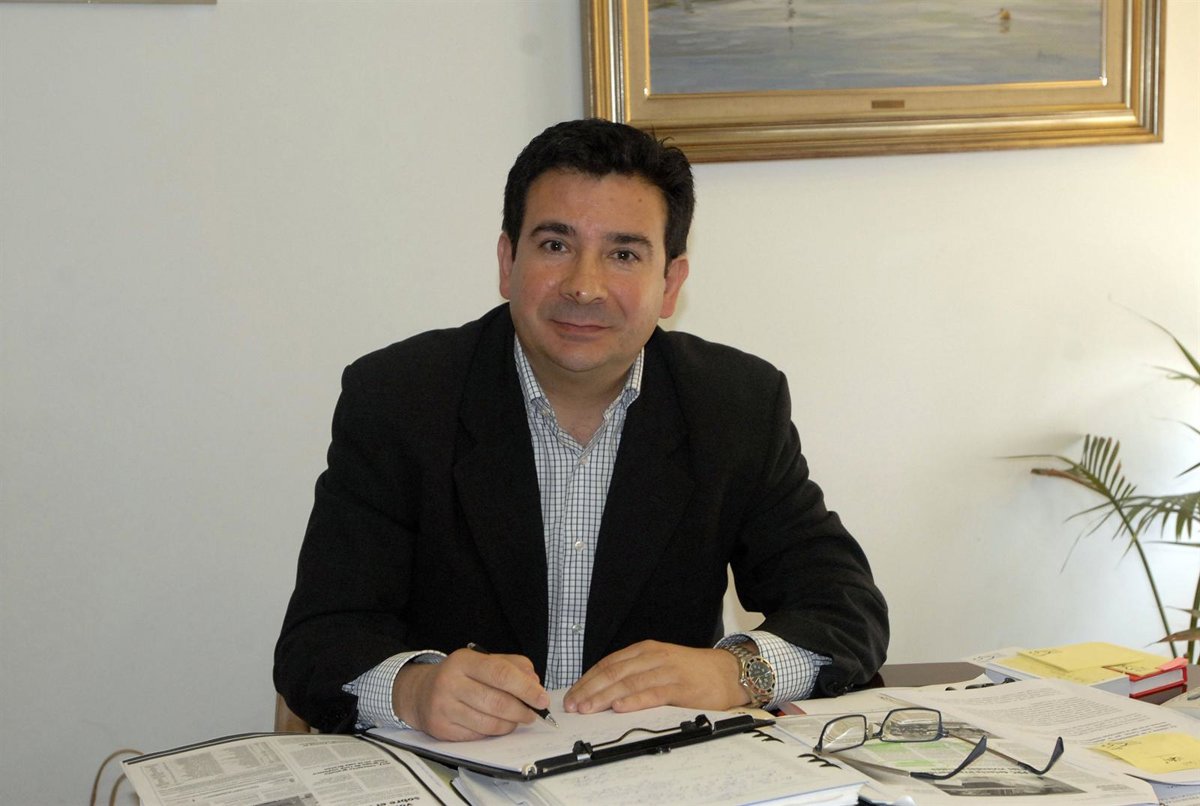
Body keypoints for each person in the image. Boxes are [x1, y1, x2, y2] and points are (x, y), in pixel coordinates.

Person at [274, 118, 888, 739]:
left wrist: (735, 673)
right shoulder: (399, 399)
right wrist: (413, 689)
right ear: (507, 261)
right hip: (453, 768)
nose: (585, 287)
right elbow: (319, 640)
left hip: (656, 768)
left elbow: (845, 609)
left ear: (670, 284)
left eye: (623, 255)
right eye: (555, 245)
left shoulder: (735, 405)